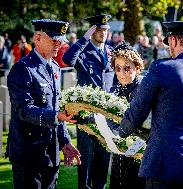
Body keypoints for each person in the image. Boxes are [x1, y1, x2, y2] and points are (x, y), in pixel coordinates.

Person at [114, 21, 183, 189]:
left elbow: (137, 111)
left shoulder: (161, 69)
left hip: (165, 167)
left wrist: (117, 134)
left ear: (173, 41)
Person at [6, 19, 81, 189]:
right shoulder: (23, 69)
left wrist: (65, 141)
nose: (59, 45)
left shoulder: (54, 67)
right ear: (38, 38)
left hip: (51, 152)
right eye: (54, 40)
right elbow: (24, 110)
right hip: (28, 153)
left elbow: (55, 107)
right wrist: (56, 116)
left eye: (61, 41)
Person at [63, 14, 115, 189]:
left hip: (106, 114)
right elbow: (67, 59)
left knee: (103, 156)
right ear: (92, 31)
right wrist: (84, 38)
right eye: (99, 30)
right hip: (86, 113)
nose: (103, 34)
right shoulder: (83, 50)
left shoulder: (110, 51)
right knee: (85, 157)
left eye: (105, 30)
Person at [108, 42, 146, 189]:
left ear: (137, 67)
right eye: (118, 68)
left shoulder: (145, 89)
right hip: (119, 151)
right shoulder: (114, 90)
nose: (122, 73)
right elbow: (107, 117)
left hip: (140, 153)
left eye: (127, 68)